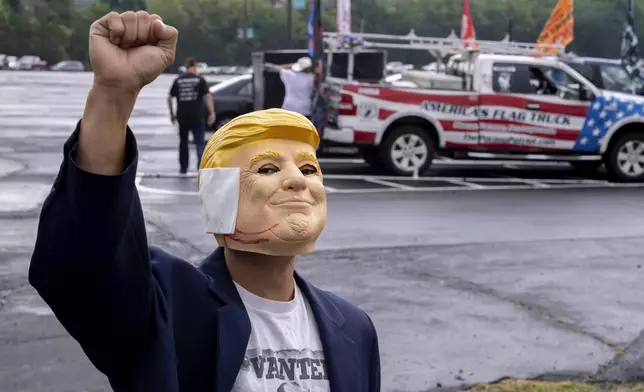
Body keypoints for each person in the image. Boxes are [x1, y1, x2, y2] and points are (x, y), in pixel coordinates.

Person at [28, 10, 380, 392]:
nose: (297, 180)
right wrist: (113, 96)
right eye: (266, 170)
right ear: (218, 194)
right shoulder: (169, 307)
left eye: (309, 170)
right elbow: (86, 262)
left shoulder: (355, 328)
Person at [168, 57, 215, 174]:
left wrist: (171, 113)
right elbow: (207, 96)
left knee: (183, 143)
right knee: (199, 142)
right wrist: (211, 112)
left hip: (182, 116)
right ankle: (200, 167)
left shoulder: (178, 80)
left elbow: (169, 97)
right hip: (197, 116)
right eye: (196, 67)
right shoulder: (200, 80)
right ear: (193, 67)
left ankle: (183, 168)